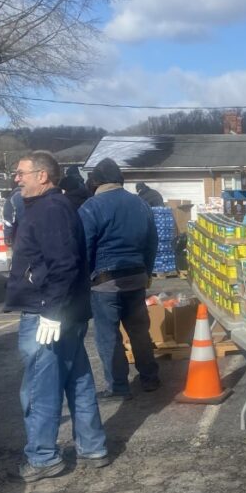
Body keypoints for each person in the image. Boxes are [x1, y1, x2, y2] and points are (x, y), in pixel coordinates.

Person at [4, 150, 108, 482]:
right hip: (65, 311)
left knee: (40, 387)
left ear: (43, 176)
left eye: (21, 173)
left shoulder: (49, 209)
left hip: (48, 314)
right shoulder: (52, 207)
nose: (16, 178)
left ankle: (43, 457)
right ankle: (92, 447)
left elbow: (64, 264)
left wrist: (51, 311)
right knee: (77, 380)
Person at [78, 157, 161, 400]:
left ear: (96, 181)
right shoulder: (141, 204)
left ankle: (119, 386)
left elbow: (84, 247)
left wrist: (83, 280)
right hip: (136, 277)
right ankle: (150, 378)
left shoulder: (91, 207)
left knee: (108, 336)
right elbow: (152, 242)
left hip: (105, 282)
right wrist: (147, 272)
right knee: (139, 332)